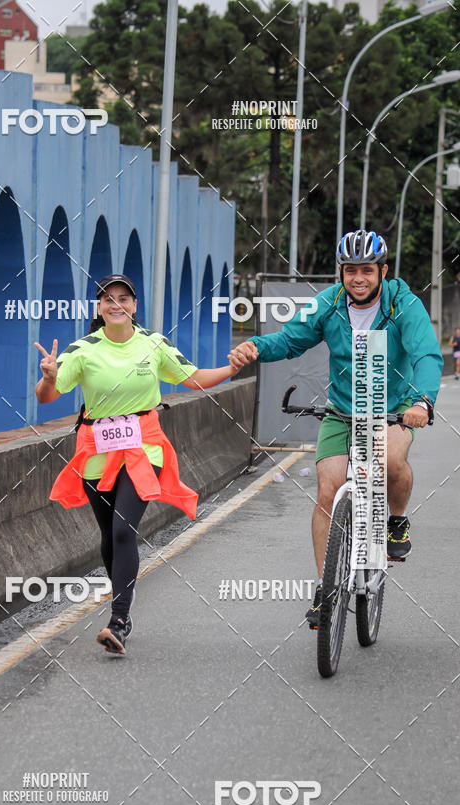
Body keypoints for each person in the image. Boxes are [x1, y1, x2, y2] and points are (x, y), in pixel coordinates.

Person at [229, 229, 443, 629]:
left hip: (393, 408)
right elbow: (291, 340)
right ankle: (325, 588)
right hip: (342, 410)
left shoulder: (403, 305)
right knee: (328, 489)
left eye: (366, 270)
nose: (358, 278)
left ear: (382, 271)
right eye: (349, 271)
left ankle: (395, 520)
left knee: (392, 459)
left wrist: (422, 402)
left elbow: (427, 354)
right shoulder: (327, 305)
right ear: (340, 273)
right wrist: (256, 347)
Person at [35, 273, 245, 654]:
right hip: (96, 454)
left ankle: (119, 620)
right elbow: (47, 397)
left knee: (122, 530)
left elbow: (194, 378)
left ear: (134, 305)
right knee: (107, 536)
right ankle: (120, 604)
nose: (116, 304)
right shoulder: (81, 349)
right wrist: (48, 377)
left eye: (124, 298)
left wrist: (231, 369)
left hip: (144, 449)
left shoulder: (154, 344)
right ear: (99, 308)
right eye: (108, 299)